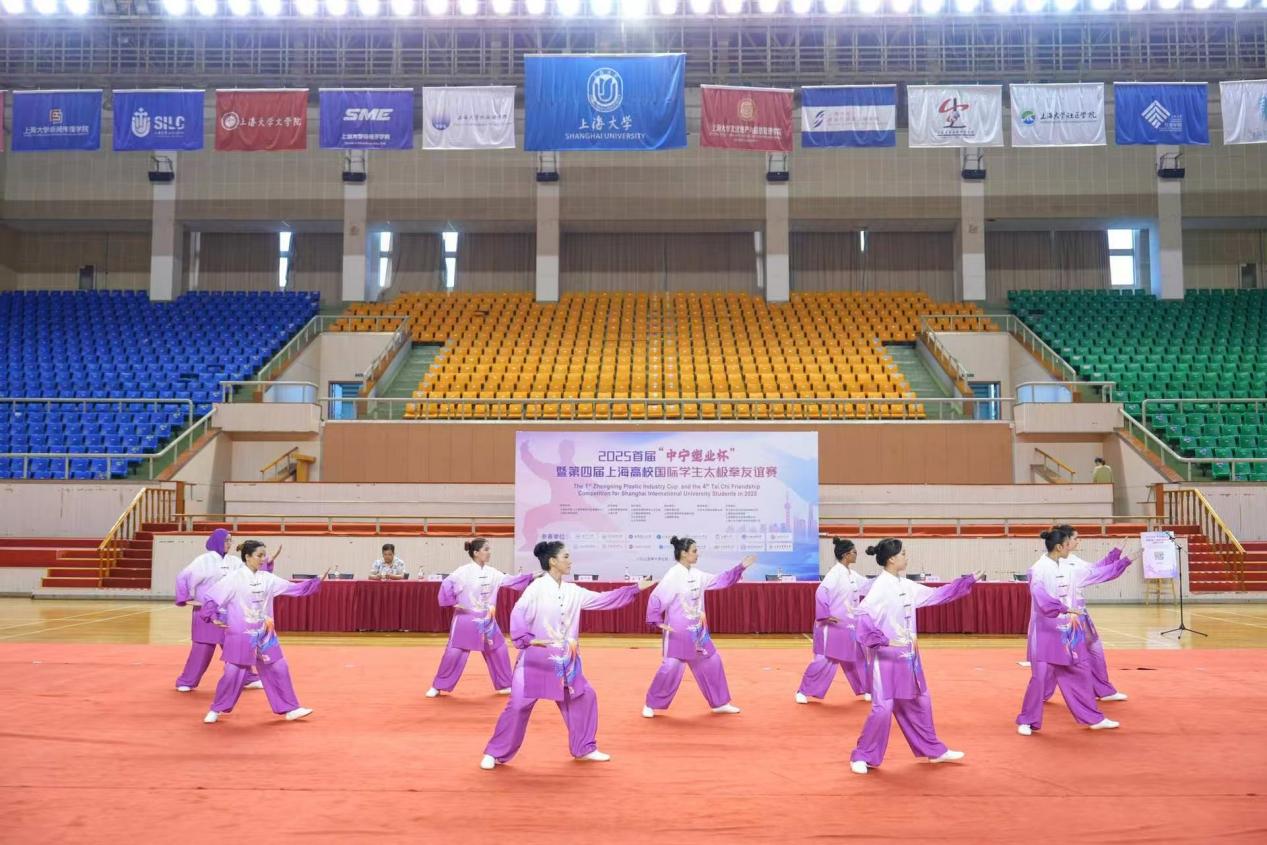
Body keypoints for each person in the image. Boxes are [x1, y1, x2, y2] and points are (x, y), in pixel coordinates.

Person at [479, 541, 653, 770]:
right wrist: (525, 639)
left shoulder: (573, 591)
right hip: (535, 662)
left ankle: (584, 748)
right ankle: (495, 752)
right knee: (518, 706)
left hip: (566, 663)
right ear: (553, 561)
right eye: (566, 556)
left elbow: (603, 599)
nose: (570, 561)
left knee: (585, 697)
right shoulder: (536, 589)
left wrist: (635, 589)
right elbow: (518, 613)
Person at [849, 539, 983, 775]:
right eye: (903, 553)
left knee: (920, 701)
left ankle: (933, 749)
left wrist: (966, 581)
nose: (906, 557)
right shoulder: (880, 587)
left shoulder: (906, 585)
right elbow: (863, 616)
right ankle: (863, 756)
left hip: (909, 658)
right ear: (892, 559)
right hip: (886, 660)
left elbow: (936, 595)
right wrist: (882, 640)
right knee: (883, 708)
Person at [199, 541, 327, 724]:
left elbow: (293, 588)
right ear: (247, 556)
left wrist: (316, 581)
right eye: (259, 555)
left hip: (266, 634)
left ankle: (290, 708)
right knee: (232, 674)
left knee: (280, 668)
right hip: (241, 635)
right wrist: (212, 616)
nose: (263, 559)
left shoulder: (268, 578)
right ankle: (216, 709)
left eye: (264, 555)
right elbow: (212, 598)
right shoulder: (233, 579)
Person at [1015, 528, 1126, 737]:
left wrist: (1123, 562)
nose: (1073, 546)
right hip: (1046, 632)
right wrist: (1064, 609)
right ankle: (1027, 720)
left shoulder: (1070, 565)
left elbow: (1097, 573)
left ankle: (1093, 718)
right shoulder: (1038, 569)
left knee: (1080, 671)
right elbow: (1040, 598)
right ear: (1059, 547)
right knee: (1039, 677)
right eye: (1069, 543)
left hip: (1070, 628)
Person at [641, 537, 756, 718]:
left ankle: (720, 703)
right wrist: (656, 619)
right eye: (694, 551)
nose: (697, 554)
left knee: (713, 662)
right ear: (684, 553)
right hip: (678, 632)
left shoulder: (698, 574)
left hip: (698, 632)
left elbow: (720, 580)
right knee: (671, 669)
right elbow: (656, 598)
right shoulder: (672, 576)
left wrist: (740, 568)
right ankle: (651, 704)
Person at [426, 538, 534, 698]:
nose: (489, 552)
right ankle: (438, 686)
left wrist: (532, 576)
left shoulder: (493, 572)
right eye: (486, 549)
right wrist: (453, 602)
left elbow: (511, 580)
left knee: (499, 650)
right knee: (454, 654)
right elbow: (447, 584)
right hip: (465, 619)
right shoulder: (463, 572)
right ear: (476, 552)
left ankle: (505, 684)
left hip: (487, 619)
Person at [1040, 525, 1132, 704]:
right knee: (1061, 657)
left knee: (1092, 649)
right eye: (1075, 538)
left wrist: (1115, 553)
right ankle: (1042, 692)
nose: (1078, 541)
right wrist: (1125, 561)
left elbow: (1095, 568)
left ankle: (1103, 689)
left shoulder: (1071, 559)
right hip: (1067, 616)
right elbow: (1099, 573)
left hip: (1078, 612)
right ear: (1065, 541)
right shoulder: (1060, 565)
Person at [173, 529, 262, 693]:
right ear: (217, 541)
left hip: (229, 613)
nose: (229, 543)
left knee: (236, 646)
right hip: (206, 612)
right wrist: (184, 597)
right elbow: (182, 576)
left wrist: (264, 564)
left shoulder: (234, 561)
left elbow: (248, 575)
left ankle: (247, 678)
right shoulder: (203, 561)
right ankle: (187, 681)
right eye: (226, 540)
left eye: (230, 540)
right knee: (202, 648)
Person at [796, 537, 872, 705]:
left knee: (857, 658)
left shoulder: (852, 574)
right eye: (854, 552)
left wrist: (885, 578)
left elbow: (867, 586)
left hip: (850, 626)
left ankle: (866, 689)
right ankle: (804, 691)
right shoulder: (835, 573)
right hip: (833, 626)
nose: (856, 554)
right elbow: (821, 591)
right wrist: (825, 614)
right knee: (824, 660)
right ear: (846, 555)